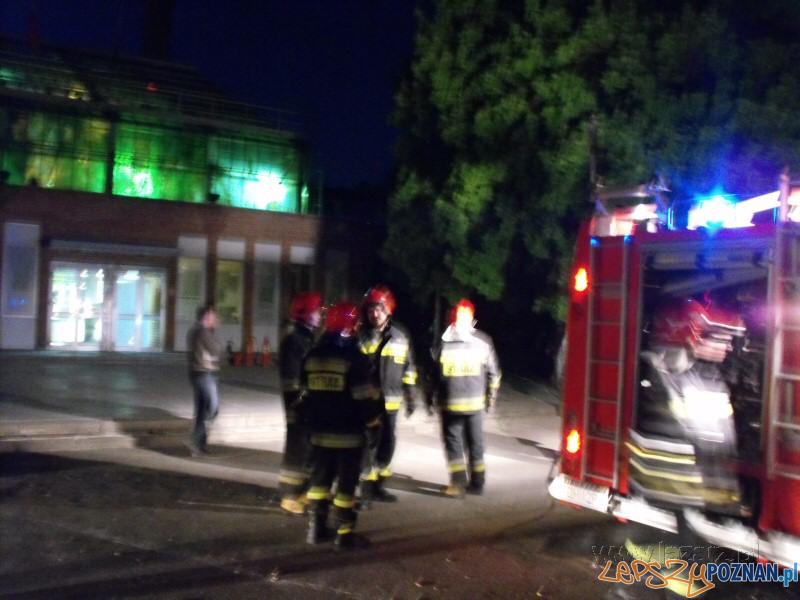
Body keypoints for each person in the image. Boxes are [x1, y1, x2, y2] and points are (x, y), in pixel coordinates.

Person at [633, 296, 745, 514]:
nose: (729, 347)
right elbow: (708, 436)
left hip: (689, 490)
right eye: (722, 339)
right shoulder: (661, 376)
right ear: (692, 336)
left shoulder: (701, 376)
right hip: (677, 489)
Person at [300, 301, 382, 549]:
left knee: (319, 482)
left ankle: (316, 529)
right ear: (351, 326)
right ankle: (344, 535)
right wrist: (374, 423)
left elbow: (305, 394)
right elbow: (362, 397)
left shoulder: (312, 356)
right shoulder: (354, 358)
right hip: (348, 435)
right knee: (347, 485)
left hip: (318, 434)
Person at [427, 298, 501, 498]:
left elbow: (433, 376)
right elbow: (494, 374)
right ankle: (478, 483)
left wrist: (430, 398)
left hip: (450, 405)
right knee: (475, 444)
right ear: (472, 320)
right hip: (473, 406)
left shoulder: (443, 343)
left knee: (455, 445)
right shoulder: (483, 342)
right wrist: (490, 399)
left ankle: (458, 485)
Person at [358, 285, 419, 505]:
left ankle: (379, 486)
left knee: (387, 442)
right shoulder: (362, 337)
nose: (374, 313)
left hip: (392, 403)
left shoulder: (401, 336)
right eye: (371, 309)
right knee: (367, 444)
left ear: (388, 310)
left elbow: (409, 367)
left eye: (379, 309)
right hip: (367, 402)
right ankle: (366, 491)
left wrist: (411, 395)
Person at [278, 291, 324, 515]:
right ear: (305, 314)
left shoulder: (305, 338)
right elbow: (292, 380)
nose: (319, 316)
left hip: (307, 405)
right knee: (296, 451)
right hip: (298, 406)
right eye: (316, 312)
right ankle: (289, 495)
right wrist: (300, 402)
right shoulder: (294, 340)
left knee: (306, 449)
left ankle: (301, 491)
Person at [186, 304, 222, 455]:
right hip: (204, 373)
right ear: (207, 316)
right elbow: (216, 350)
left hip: (196, 372)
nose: (217, 319)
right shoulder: (203, 332)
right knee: (213, 408)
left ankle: (199, 445)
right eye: (214, 316)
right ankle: (196, 439)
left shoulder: (193, 330)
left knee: (201, 410)